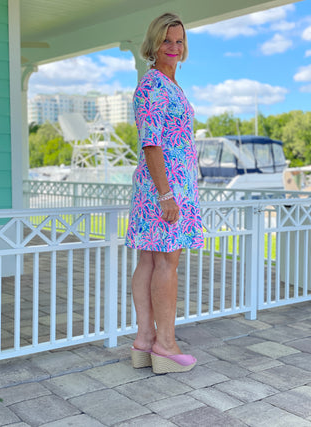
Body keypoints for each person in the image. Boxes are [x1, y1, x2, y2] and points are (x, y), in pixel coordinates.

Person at [125, 12, 204, 374]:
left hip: (164, 187)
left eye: (179, 41)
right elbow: (152, 143)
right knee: (165, 262)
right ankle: (166, 345)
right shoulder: (154, 85)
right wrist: (166, 195)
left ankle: (144, 342)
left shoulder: (167, 84)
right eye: (167, 40)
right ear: (153, 44)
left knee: (149, 261)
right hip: (164, 188)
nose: (174, 47)